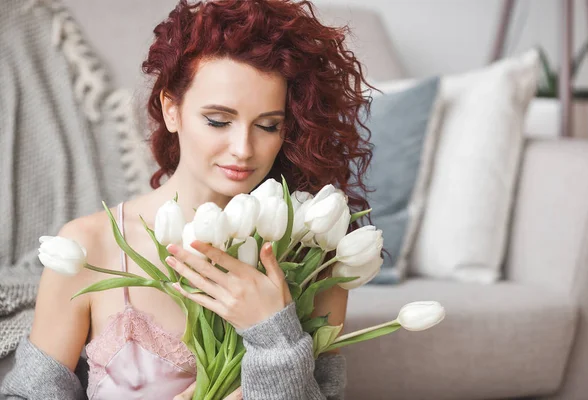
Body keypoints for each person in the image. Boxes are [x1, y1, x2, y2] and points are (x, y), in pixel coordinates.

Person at [2, 0, 374, 399]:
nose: (243, 148)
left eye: (268, 125)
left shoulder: (314, 260)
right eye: (218, 121)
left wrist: (274, 335)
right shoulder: (88, 247)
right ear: (171, 110)